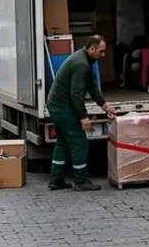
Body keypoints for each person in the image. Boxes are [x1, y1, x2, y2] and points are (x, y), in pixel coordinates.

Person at [45, 35, 117, 192]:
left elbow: (91, 87)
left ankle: (55, 180)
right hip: (62, 107)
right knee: (79, 143)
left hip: (56, 105)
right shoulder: (82, 64)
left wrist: (105, 106)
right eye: (101, 51)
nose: (103, 55)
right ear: (92, 49)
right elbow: (76, 93)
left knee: (62, 142)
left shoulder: (84, 59)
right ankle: (81, 180)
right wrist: (83, 117)